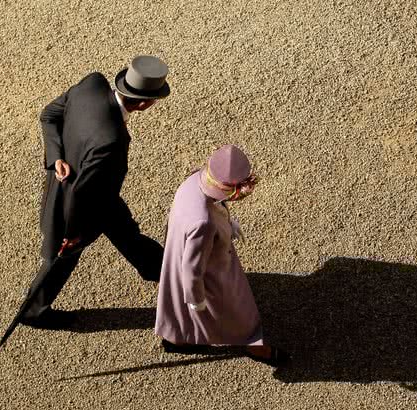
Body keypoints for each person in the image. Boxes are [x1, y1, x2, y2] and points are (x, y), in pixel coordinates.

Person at [17, 55, 171, 329]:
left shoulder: (92, 84)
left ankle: (163, 270)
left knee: (127, 233)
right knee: (65, 253)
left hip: (95, 194)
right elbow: (82, 195)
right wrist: (75, 232)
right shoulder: (111, 139)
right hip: (85, 203)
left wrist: (57, 158)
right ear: (146, 103)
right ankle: (33, 311)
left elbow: (49, 114)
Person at [155, 144, 287, 366]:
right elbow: (193, 270)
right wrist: (197, 300)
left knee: (176, 303)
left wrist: (227, 223)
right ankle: (254, 345)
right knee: (237, 310)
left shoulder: (195, 180)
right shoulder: (203, 223)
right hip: (214, 271)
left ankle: (177, 339)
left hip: (177, 252)